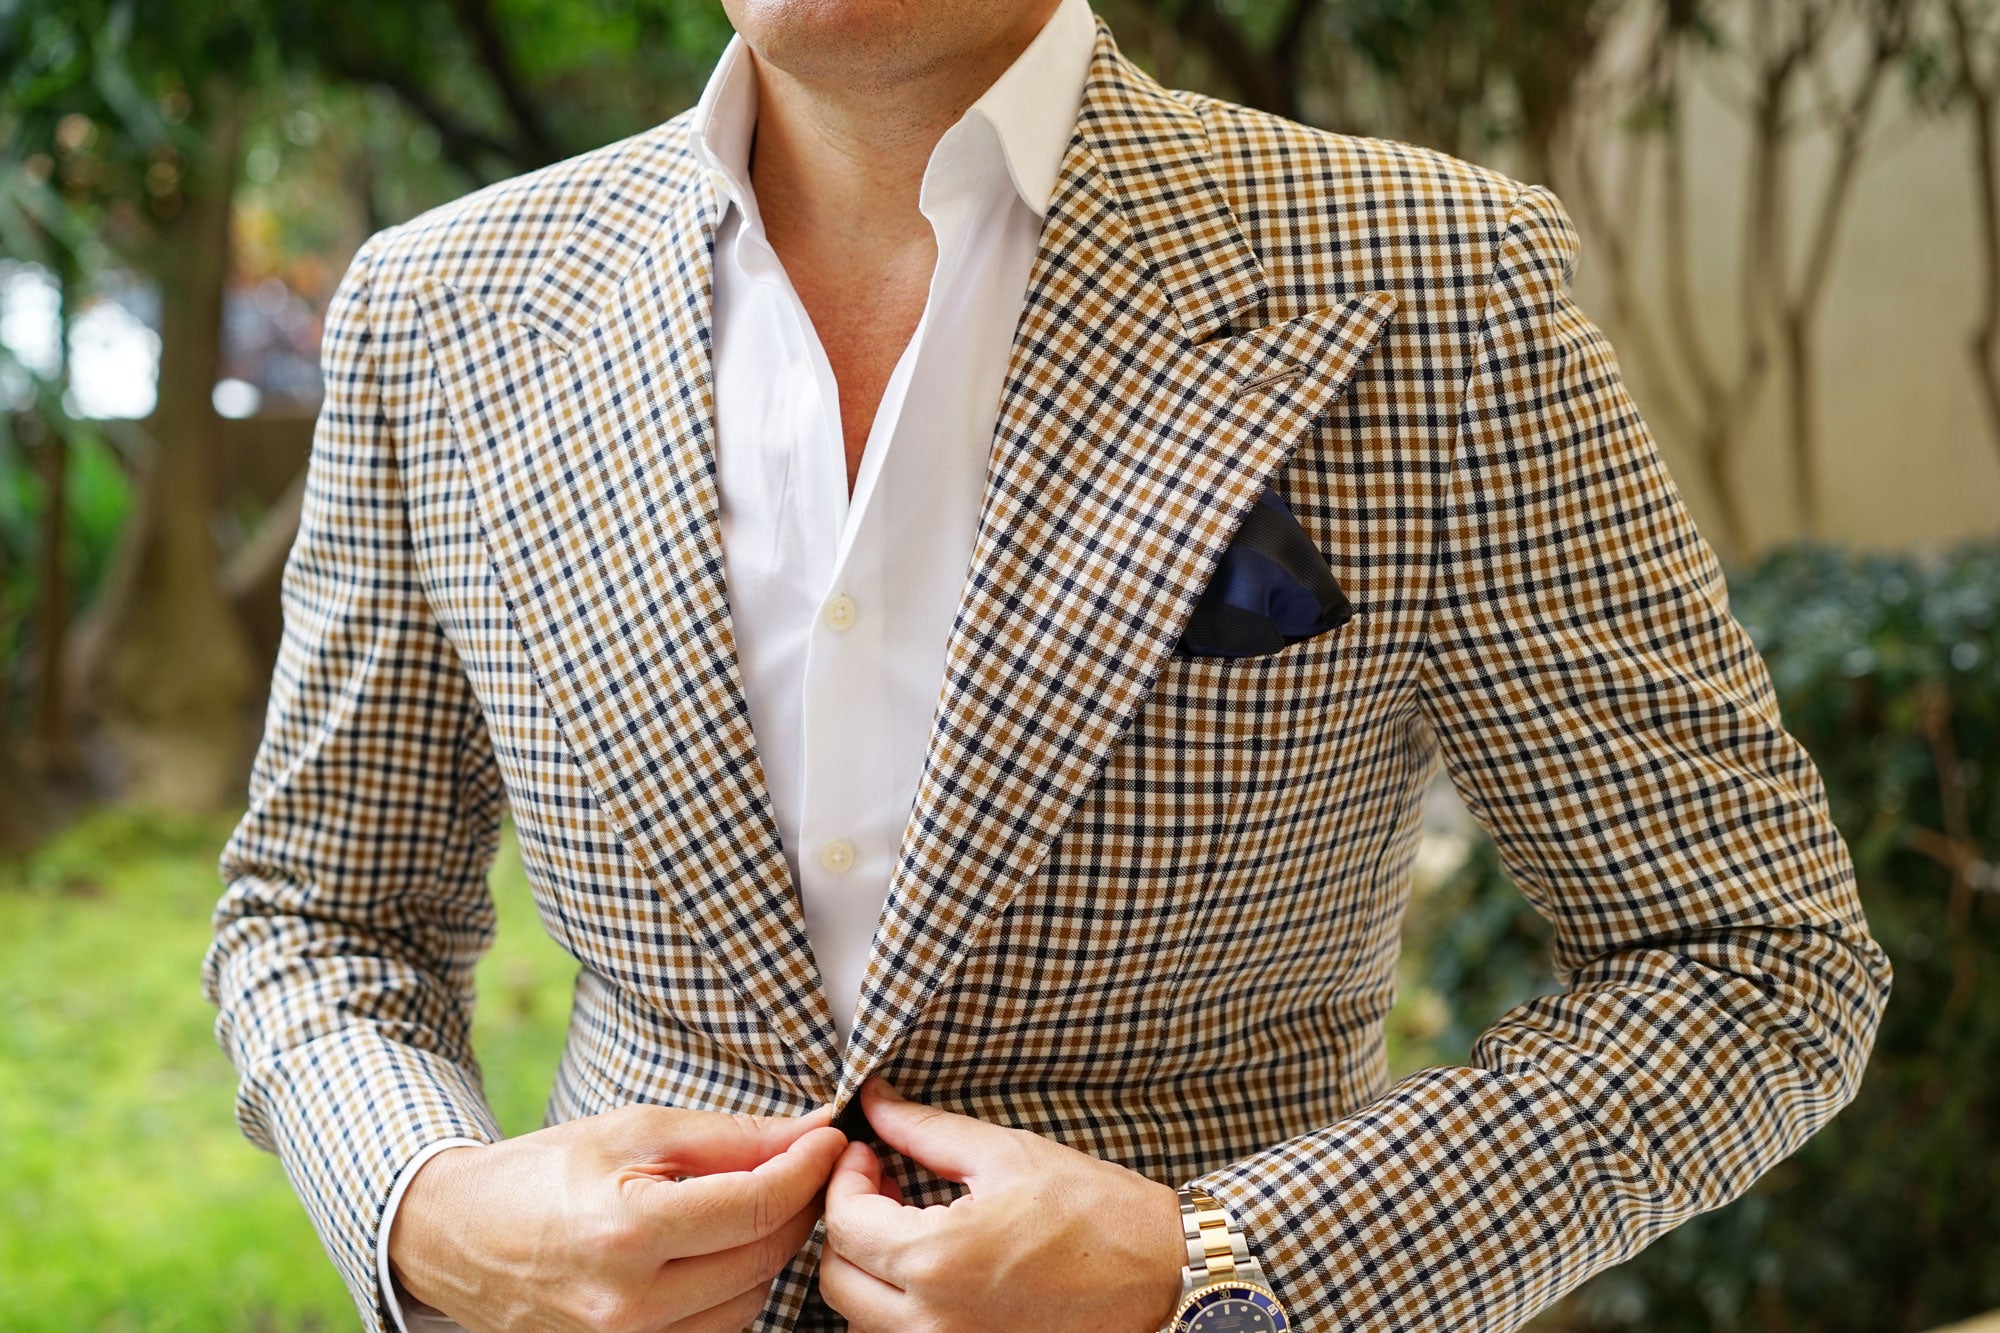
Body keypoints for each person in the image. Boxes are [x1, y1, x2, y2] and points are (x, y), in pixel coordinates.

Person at [202, 0, 1894, 1329]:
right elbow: (318, 917)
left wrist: (1221, 1259)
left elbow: (1752, 961)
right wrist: (425, 1203)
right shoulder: (444, 310)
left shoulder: (1429, 287)